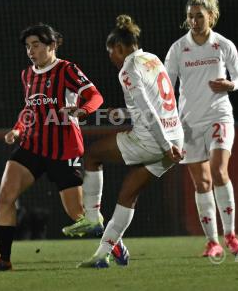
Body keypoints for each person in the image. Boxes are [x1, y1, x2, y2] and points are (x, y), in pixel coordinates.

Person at [0, 23, 104, 273]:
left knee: (78, 214)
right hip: (31, 145)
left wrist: (83, 110)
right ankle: (3, 259)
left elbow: (96, 96)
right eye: (28, 46)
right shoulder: (27, 75)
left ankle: (114, 246)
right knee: (5, 195)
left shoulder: (67, 70)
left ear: (52, 45)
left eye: (36, 45)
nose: (31, 51)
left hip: (64, 148)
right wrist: (17, 129)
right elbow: (29, 110)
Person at [63, 14, 184, 268]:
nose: (111, 59)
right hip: (176, 137)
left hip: (155, 140)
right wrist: (127, 113)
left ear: (119, 48)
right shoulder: (152, 59)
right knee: (128, 193)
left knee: (93, 155)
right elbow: (159, 102)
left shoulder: (128, 69)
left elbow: (149, 112)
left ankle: (93, 218)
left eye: (110, 53)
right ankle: (101, 256)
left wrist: (164, 146)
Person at [164, 0, 238, 257]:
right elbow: (166, 88)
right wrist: (170, 123)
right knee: (202, 184)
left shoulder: (224, 45)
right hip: (188, 123)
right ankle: (213, 242)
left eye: (199, 16)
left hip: (218, 115)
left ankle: (231, 235)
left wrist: (230, 85)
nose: (194, 21)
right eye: (190, 16)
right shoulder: (178, 48)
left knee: (219, 171)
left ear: (211, 16)